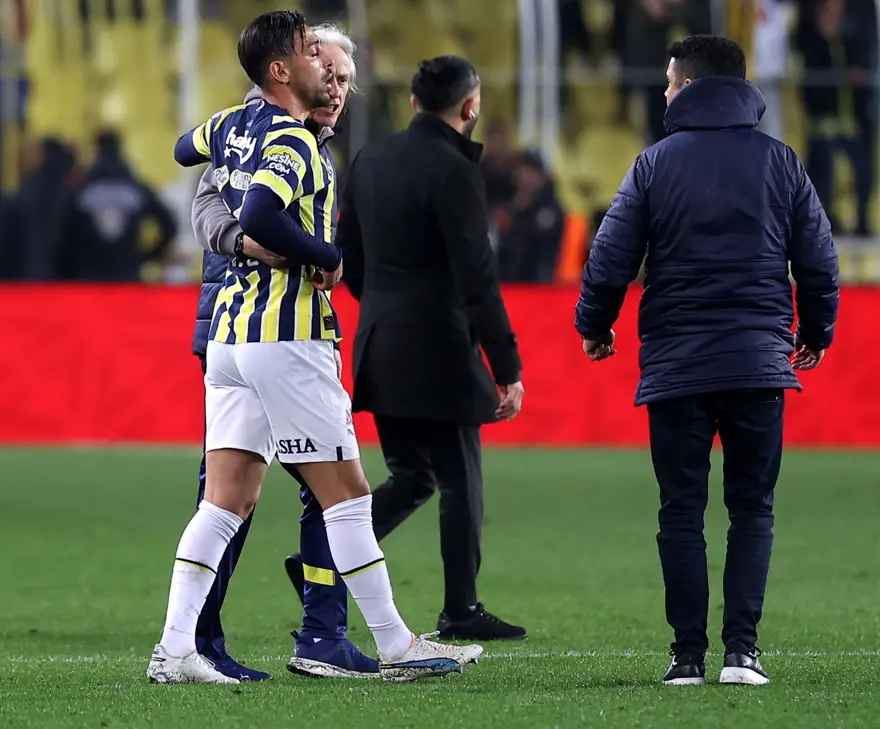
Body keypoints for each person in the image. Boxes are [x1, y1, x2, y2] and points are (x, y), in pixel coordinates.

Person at [147, 10, 482, 685]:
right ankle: (395, 644)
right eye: (313, 58)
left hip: (230, 336)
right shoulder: (293, 140)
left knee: (224, 502)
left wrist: (229, 147)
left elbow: (184, 148)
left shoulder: (230, 125)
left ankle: (175, 648)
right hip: (287, 335)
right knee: (349, 495)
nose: (328, 76)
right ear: (281, 70)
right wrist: (325, 255)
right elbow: (260, 214)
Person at [574, 35, 839, 686]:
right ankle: (743, 654)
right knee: (753, 509)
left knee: (680, 511)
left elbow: (609, 258)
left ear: (689, 86)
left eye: (668, 82)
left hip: (677, 365)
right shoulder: (781, 162)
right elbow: (818, 261)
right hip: (758, 362)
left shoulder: (654, 164)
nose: (663, 92)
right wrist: (816, 332)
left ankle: (687, 657)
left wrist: (595, 326)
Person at [189, 23, 379, 680]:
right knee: (236, 497)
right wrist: (250, 243)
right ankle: (203, 637)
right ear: (292, 70)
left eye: (345, 79)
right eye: (327, 70)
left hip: (282, 331)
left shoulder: (312, 146)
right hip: (245, 328)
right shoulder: (255, 133)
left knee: (306, 494)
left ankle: (322, 632)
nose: (336, 86)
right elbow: (206, 208)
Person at [327, 54, 527, 641]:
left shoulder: (369, 159)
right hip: (439, 349)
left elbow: (348, 257)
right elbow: (477, 278)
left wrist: (385, 309)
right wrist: (507, 366)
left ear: (414, 102)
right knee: (460, 481)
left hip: (379, 344)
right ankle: (460, 609)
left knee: (412, 475)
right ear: (470, 106)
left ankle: (320, 562)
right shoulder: (456, 171)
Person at [69, 130, 177, 280]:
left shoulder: (81, 190)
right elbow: (169, 225)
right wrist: (146, 256)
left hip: (89, 277)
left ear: (96, 150)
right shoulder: (137, 189)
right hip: (127, 276)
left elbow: (64, 231)